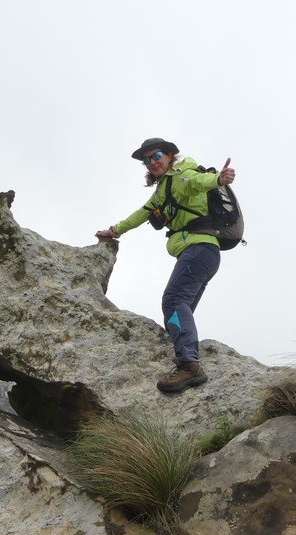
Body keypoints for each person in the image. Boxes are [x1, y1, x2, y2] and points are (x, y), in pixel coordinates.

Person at [96, 137, 236, 393]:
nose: (152, 162)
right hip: (201, 254)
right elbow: (142, 213)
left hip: (199, 250)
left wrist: (218, 179)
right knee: (180, 309)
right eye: (147, 160)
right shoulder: (163, 189)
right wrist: (115, 230)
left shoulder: (182, 175)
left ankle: (189, 366)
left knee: (173, 301)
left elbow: (198, 182)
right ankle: (186, 356)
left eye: (156, 155)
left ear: (170, 155)